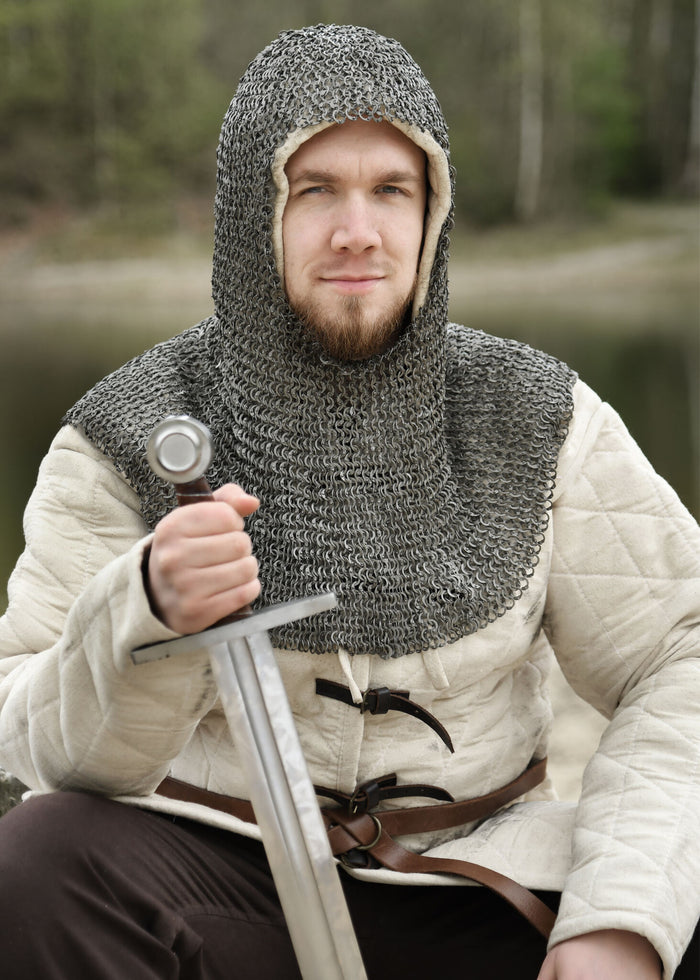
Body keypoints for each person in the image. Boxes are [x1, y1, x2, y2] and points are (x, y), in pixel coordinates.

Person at [0, 23, 698, 980]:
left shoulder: (535, 416)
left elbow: (681, 651)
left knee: (670, 899)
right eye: (316, 190)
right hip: (216, 882)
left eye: (392, 190)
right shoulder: (130, 431)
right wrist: (144, 611)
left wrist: (619, 921)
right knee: (34, 864)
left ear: (432, 212)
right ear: (255, 213)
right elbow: (31, 740)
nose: (358, 231)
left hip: (481, 879)